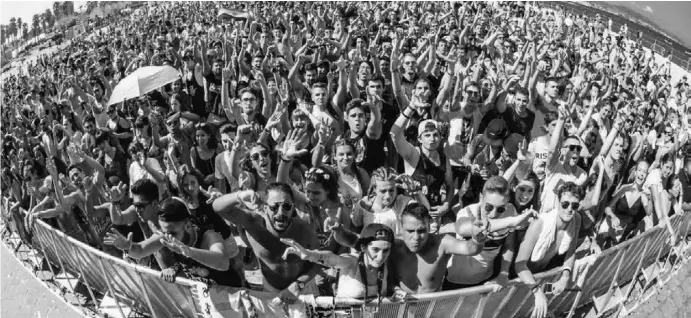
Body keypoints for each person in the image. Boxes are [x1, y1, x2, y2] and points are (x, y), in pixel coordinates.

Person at [335, 202, 485, 294]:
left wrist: (477, 239)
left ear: (429, 227)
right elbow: (354, 241)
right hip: (398, 305)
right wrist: (338, 231)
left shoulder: (442, 243)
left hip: (431, 307)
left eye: (421, 231)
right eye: (410, 231)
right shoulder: (393, 243)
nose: (416, 237)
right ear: (401, 227)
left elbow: (470, 249)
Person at [212, 184, 321, 301]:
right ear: (265, 208)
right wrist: (240, 195)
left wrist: (299, 285)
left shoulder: (304, 228)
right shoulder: (253, 223)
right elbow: (218, 208)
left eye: (286, 206)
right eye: (274, 207)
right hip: (271, 291)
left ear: (293, 208)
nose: (280, 212)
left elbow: (317, 261)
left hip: (302, 287)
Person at [104, 198, 235, 286]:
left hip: (232, 292)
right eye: (164, 230)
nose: (167, 237)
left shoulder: (209, 237)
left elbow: (223, 263)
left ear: (187, 225)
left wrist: (189, 252)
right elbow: (140, 251)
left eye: (172, 233)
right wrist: (127, 247)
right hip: (208, 298)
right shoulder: (166, 236)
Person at [447, 177, 536, 290]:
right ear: (481, 197)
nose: (493, 214)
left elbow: (508, 246)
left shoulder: (510, 211)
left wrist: (504, 273)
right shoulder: (469, 212)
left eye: (500, 209)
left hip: (487, 280)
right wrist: (511, 221)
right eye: (488, 207)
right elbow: (461, 228)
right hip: (456, 280)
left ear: (508, 200)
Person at [516, 182, 583, 318]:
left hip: (541, 275)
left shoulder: (576, 219)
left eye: (574, 205)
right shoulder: (540, 223)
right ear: (558, 202)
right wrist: (536, 291)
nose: (569, 209)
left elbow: (571, 251)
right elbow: (519, 264)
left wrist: (565, 275)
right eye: (565, 204)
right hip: (520, 277)